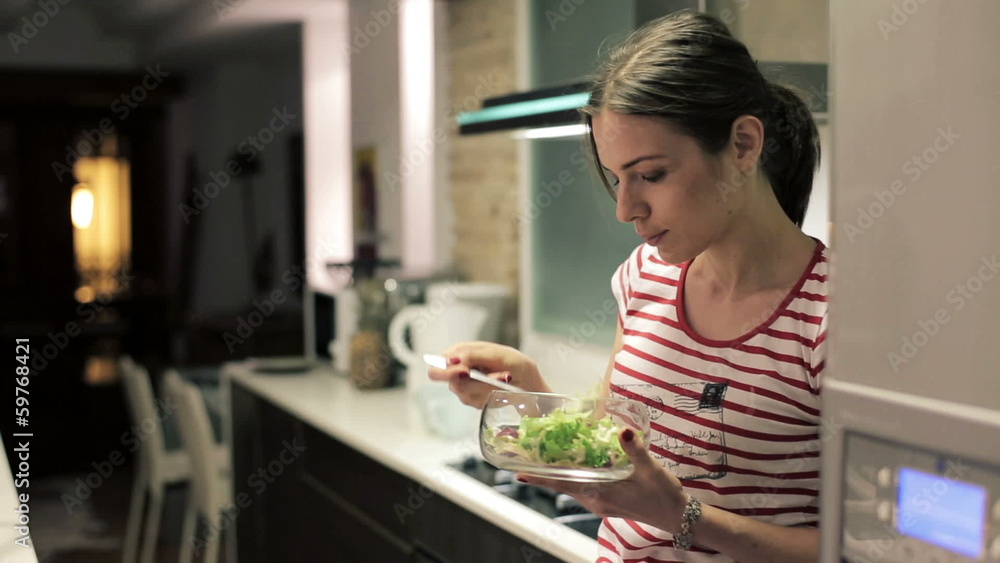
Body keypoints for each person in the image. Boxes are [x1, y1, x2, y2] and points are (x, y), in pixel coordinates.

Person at [429, 11, 827, 563]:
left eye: (652, 175)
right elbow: (619, 454)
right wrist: (530, 396)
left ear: (742, 144)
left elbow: (873, 551)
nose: (625, 209)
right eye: (618, 179)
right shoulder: (646, 274)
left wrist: (680, 516)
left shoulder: (833, 318)